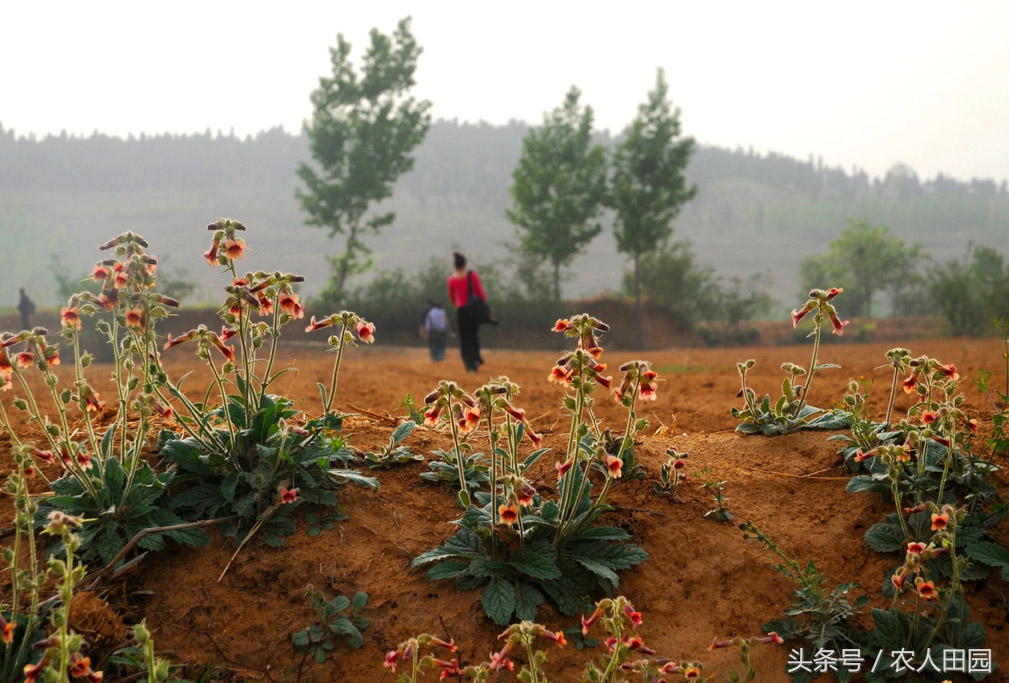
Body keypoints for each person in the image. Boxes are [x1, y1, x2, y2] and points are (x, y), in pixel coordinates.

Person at [447, 252, 487, 373]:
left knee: (464, 338)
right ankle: (475, 360)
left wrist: (456, 306)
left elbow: (452, 297)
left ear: (454, 265)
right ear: (465, 264)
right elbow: (480, 292)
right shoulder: (472, 275)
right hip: (473, 310)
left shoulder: (452, 279)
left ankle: (468, 363)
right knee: (473, 335)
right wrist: (484, 307)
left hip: (461, 311)